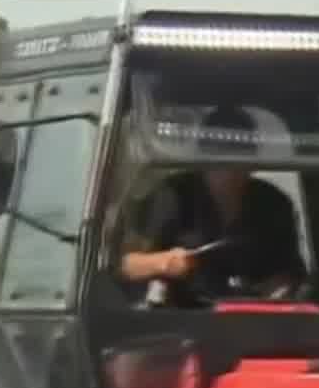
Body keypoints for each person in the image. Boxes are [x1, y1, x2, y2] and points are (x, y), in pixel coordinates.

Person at [116, 107, 307, 305]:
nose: (232, 169)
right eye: (222, 155)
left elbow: (292, 274)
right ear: (203, 155)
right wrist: (162, 263)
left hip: (259, 320)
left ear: (254, 159)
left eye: (242, 156)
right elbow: (124, 265)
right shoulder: (171, 196)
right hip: (181, 320)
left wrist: (279, 288)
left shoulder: (274, 203)